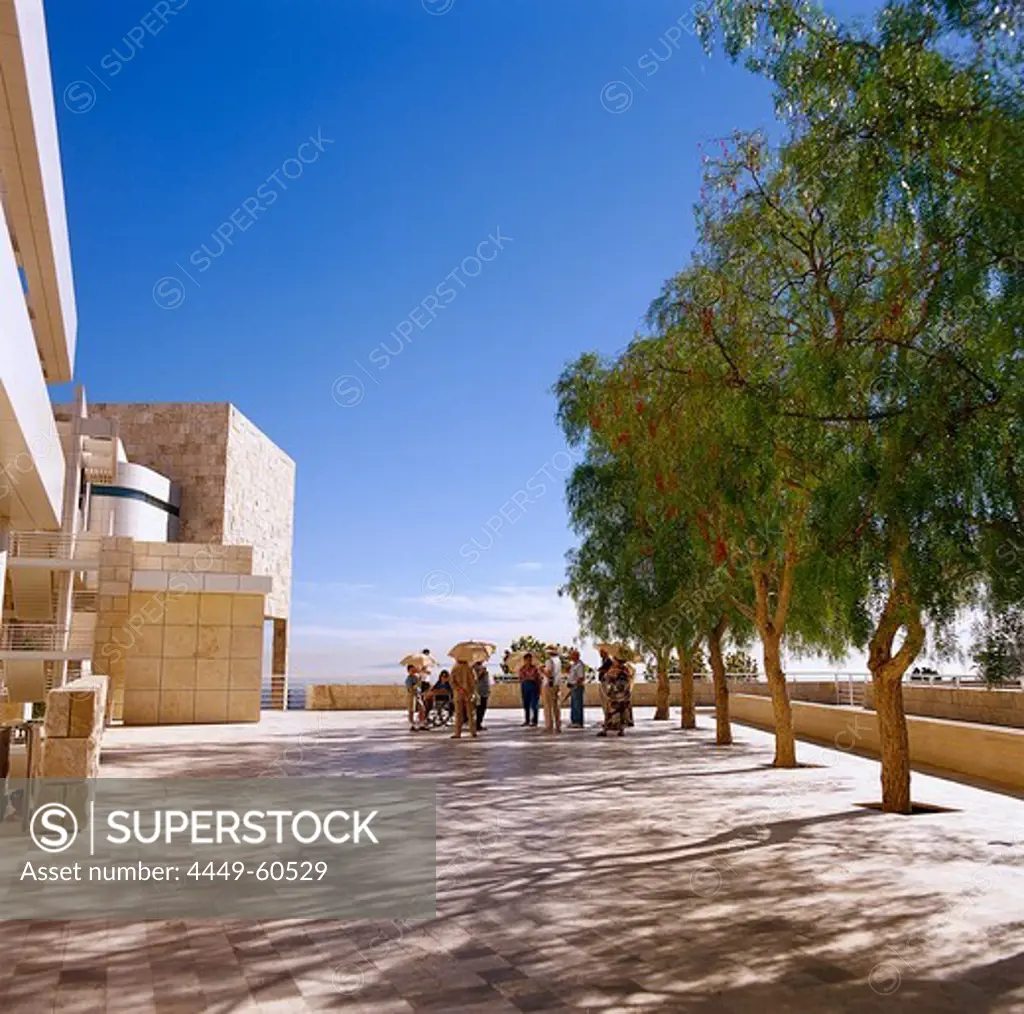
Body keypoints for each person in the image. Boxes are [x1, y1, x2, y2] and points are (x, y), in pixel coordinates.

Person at [598, 660, 631, 737]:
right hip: (619, 696)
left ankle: (608, 730)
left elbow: (620, 684)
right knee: (619, 713)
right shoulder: (623, 671)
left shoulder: (621, 672)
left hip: (617, 696)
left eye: (615, 661)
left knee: (612, 713)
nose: (613, 662)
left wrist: (611, 676)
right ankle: (618, 730)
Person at [450, 660, 478, 739]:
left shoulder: (455, 668)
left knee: (458, 714)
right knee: (470, 714)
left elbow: (452, 681)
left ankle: (457, 733)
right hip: (468, 694)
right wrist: (471, 691)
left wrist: (459, 689)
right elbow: (475, 681)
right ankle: (473, 732)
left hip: (458, 694)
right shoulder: (470, 668)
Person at [542, 646, 563, 732]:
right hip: (556, 684)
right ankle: (558, 725)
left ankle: (549, 726)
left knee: (547, 705)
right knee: (556, 705)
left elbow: (549, 674)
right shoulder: (558, 661)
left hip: (549, 685)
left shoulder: (549, 661)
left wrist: (541, 670)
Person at [518, 652, 541, 727]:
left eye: (530, 659)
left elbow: (538, 679)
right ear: (524, 660)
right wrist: (526, 678)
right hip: (525, 686)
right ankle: (527, 720)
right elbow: (520, 678)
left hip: (534, 687)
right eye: (527, 660)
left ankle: (535, 721)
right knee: (526, 704)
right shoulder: (521, 669)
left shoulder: (535, 668)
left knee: (534, 705)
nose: (529, 661)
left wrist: (539, 688)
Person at [568, 649, 586, 728]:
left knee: (577, 704)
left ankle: (578, 721)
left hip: (577, 687)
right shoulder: (573, 665)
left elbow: (581, 677)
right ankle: (574, 721)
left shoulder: (579, 665)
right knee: (573, 704)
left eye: (572, 655)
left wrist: (576, 685)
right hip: (572, 686)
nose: (571, 656)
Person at [473, 661, 491, 730]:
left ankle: (479, 724)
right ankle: (477, 724)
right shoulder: (474, 668)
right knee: (479, 708)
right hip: (479, 691)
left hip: (485, 691)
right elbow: (476, 679)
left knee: (483, 708)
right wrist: (481, 672)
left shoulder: (483, 668)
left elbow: (486, 680)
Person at [405, 664, 422, 731]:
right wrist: (417, 684)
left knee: (422, 709)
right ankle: (412, 725)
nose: (413, 671)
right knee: (411, 711)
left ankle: (421, 724)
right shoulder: (409, 679)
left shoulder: (416, 677)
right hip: (412, 696)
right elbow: (410, 689)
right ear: (409, 671)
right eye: (412, 670)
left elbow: (419, 686)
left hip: (418, 695)